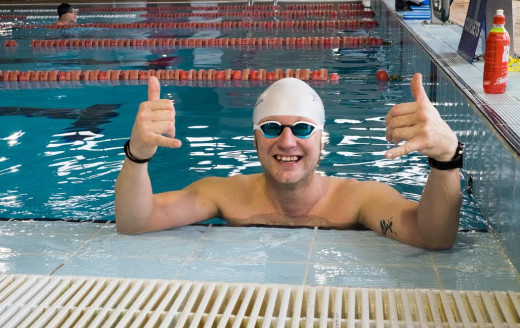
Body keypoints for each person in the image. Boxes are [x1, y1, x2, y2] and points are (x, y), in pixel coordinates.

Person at [115, 74, 463, 250]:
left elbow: (432, 236)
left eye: (301, 128)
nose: (286, 140)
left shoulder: (359, 200)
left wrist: (447, 159)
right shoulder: (224, 194)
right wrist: (138, 153)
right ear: (254, 139)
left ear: (321, 139)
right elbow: (135, 221)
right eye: (270, 128)